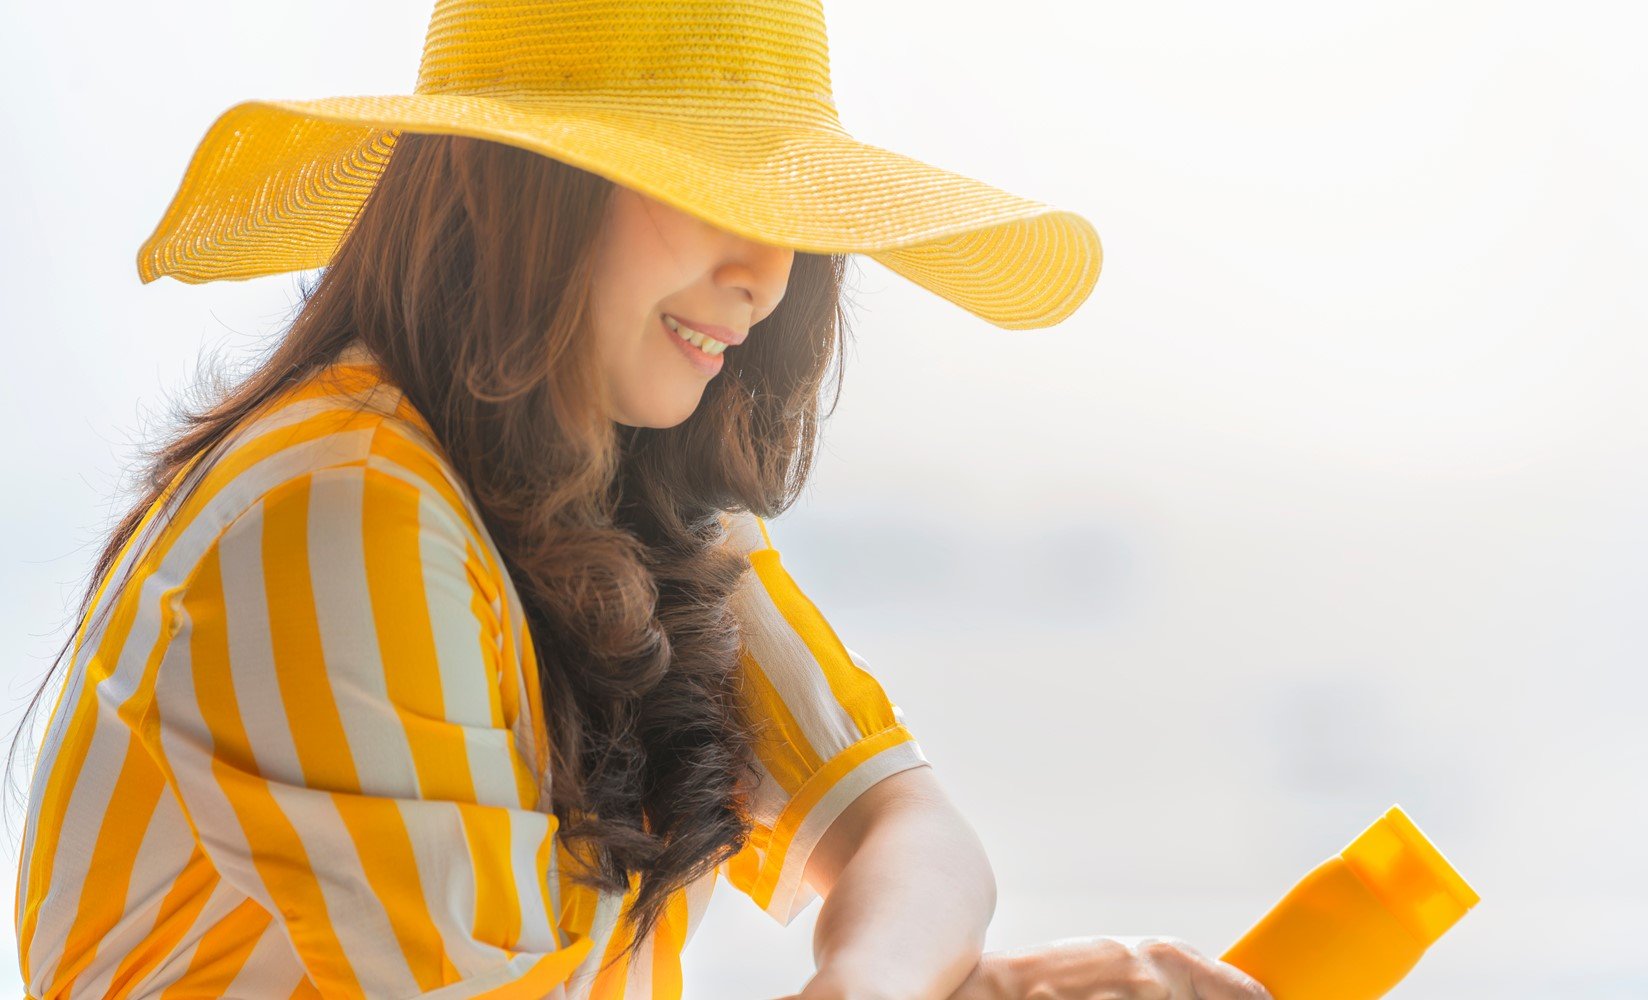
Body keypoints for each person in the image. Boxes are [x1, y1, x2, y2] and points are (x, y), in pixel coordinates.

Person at [10, 2, 1269, 998]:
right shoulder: (339, 510)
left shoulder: (627, 494)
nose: (766, 273)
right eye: (708, 187)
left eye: (786, 210)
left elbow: (903, 822)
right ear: (515, 184)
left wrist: (895, 984)